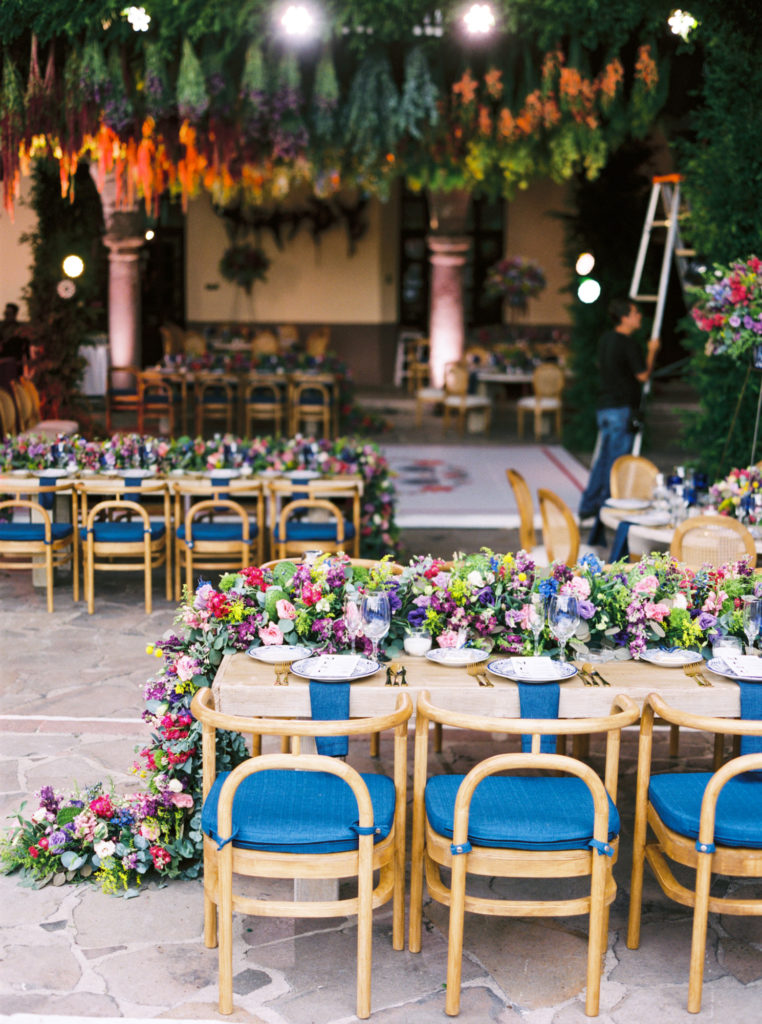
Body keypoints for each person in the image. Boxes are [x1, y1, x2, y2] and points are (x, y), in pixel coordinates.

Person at [578, 298, 660, 522]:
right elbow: (642, 375)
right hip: (621, 408)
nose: (639, 316)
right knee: (616, 464)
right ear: (624, 318)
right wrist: (652, 351)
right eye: (635, 313)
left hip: (605, 406)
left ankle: (588, 505)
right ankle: (606, 509)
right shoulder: (628, 343)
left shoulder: (606, 339)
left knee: (603, 460)